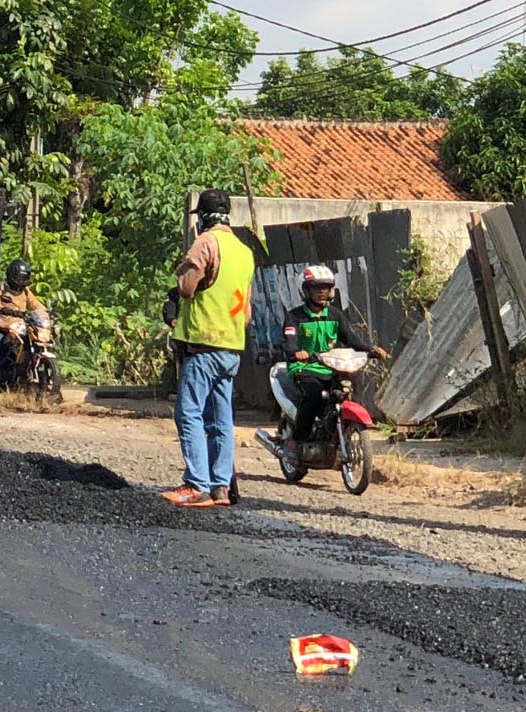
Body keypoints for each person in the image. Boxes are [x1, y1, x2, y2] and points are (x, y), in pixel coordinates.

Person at [161, 189, 256, 509]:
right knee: (221, 419)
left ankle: (196, 484)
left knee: (188, 412)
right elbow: (247, 310)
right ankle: (220, 487)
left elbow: (187, 288)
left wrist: (182, 273)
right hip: (231, 346)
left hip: (204, 343)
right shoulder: (244, 251)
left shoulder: (206, 243)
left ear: (203, 217)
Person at [281, 265, 388, 460]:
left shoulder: (336, 315)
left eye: (326, 287)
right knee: (313, 394)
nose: (322, 292)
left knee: (346, 391)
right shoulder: (294, 317)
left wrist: (371, 350)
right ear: (305, 290)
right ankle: (296, 440)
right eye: (316, 287)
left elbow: (351, 339)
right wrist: (297, 352)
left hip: (331, 367)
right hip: (305, 367)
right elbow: (290, 342)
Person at [0, 258, 47, 386]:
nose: (22, 282)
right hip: (3, 327)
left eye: (24, 279)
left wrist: (47, 313)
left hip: (21, 327)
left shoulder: (25, 291)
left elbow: (36, 305)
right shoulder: (1, 290)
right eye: (20, 278)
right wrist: (5, 310)